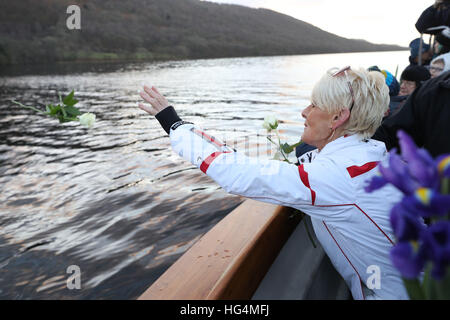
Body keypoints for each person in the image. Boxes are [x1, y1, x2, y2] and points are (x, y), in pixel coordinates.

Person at [138, 67, 409, 300]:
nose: (304, 111)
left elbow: (239, 174)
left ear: (338, 118)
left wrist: (173, 124)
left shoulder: (338, 177)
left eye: (314, 105)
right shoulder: (369, 158)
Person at [373, 70, 450, 158]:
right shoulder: (435, 90)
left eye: (409, 83)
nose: (402, 86)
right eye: (402, 82)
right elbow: (392, 135)